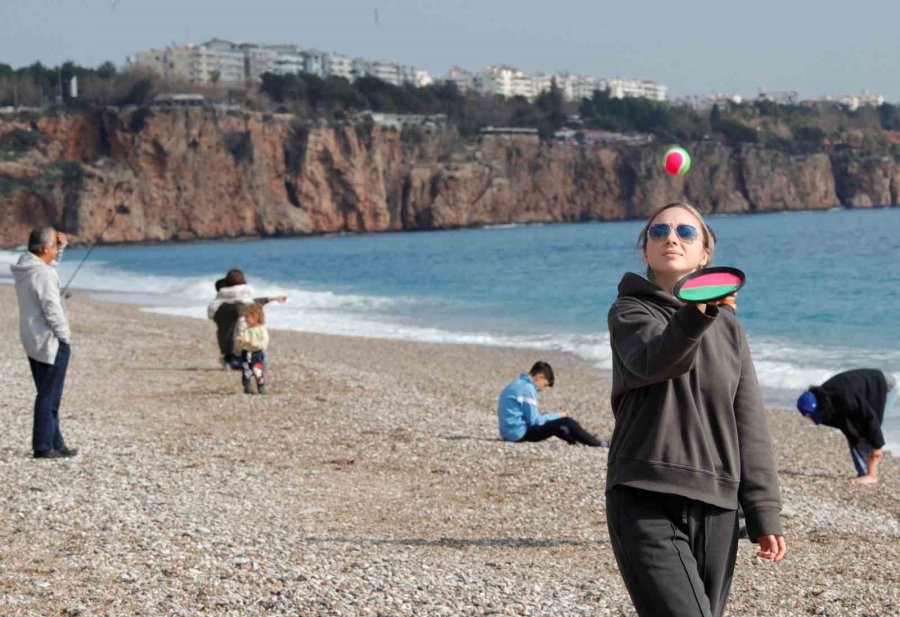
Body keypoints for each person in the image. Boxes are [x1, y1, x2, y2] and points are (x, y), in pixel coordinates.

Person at [606, 201, 785, 617]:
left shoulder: (729, 328)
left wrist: (763, 509)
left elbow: (749, 419)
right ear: (646, 250)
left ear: (705, 254)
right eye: (659, 231)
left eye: (686, 232)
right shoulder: (630, 311)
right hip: (644, 493)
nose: (671, 237)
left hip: (719, 504)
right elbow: (659, 360)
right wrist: (699, 313)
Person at [11, 226, 78, 459]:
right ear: (44, 248)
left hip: (32, 338)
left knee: (48, 393)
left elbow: (46, 267)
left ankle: (55, 442)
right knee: (49, 397)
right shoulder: (43, 274)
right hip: (49, 342)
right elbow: (51, 309)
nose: (55, 249)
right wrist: (65, 337)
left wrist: (61, 249)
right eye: (53, 245)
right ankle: (43, 446)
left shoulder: (26, 266)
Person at [796, 368, 897, 485]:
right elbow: (846, 426)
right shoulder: (826, 402)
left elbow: (870, 418)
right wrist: (856, 441)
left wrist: (877, 446)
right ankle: (863, 473)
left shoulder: (845, 397)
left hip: (884, 385)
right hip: (862, 389)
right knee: (856, 434)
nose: (810, 419)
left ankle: (871, 476)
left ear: (817, 406)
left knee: (870, 431)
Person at [497, 361, 608, 447]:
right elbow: (535, 421)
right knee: (566, 421)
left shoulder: (516, 384)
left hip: (507, 432)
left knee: (553, 421)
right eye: (544, 385)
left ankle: (576, 440)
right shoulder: (528, 388)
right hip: (518, 434)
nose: (542, 389)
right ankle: (598, 443)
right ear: (539, 377)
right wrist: (559, 415)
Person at [207, 269, 285, 369]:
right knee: (260, 363)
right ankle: (235, 361)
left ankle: (230, 361)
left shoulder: (217, 307)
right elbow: (252, 304)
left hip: (229, 350)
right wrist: (272, 299)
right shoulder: (242, 306)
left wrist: (272, 299)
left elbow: (252, 303)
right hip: (241, 348)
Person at [236, 303, 269, 395]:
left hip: (256, 353)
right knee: (246, 370)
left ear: (256, 317)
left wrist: (252, 343)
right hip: (246, 352)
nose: (246, 320)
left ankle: (261, 386)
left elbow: (264, 342)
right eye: (245, 317)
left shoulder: (261, 329)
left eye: (248, 317)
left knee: (257, 370)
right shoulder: (246, 330)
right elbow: (242, 343)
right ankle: (247, 386)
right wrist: (241, 342)